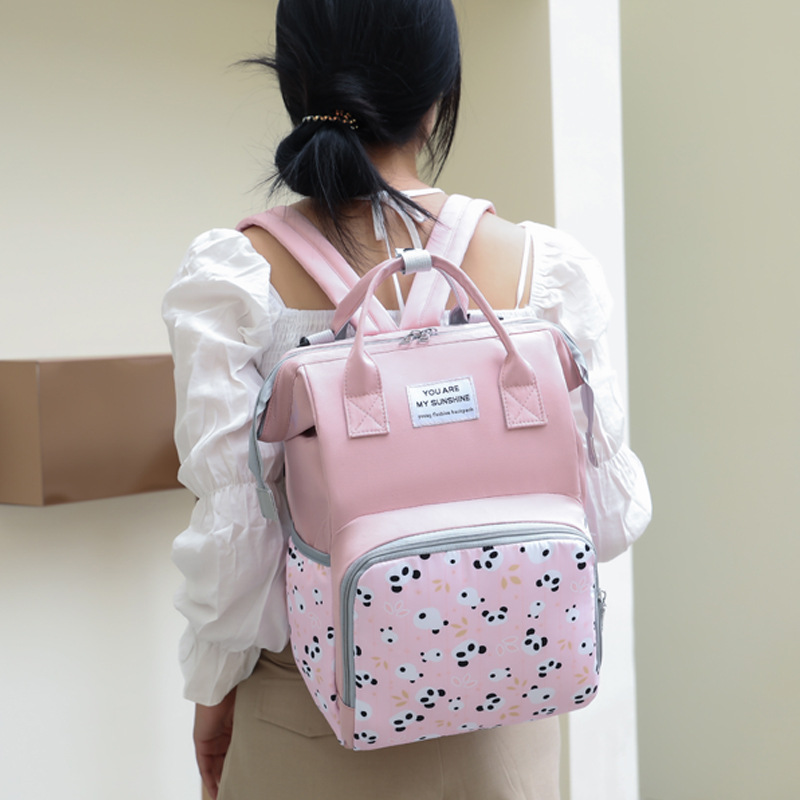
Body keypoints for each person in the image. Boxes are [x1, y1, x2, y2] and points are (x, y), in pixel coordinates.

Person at [162, 1, 652, 798]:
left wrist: (211, 693)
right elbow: (609, 522)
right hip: (503, 727)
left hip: (311, 720)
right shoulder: (546, 271)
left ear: (296, 84)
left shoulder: (234, 281)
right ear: (438, 96)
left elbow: (236, 555)